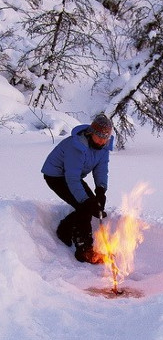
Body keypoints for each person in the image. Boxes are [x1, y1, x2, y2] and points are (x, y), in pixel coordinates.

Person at [42, 113, 113, 264]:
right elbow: (72, 179)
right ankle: (84, 250)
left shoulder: (104, 147)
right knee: (85, 206)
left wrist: (100, 190)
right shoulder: (77, 146)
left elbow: (101, 169)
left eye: (105, 138)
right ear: (92, 133)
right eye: (99, 137)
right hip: (56, 176)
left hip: (72, 176)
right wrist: (86, 201)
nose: (102, 141)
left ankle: (65, 229)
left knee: (90, 204)